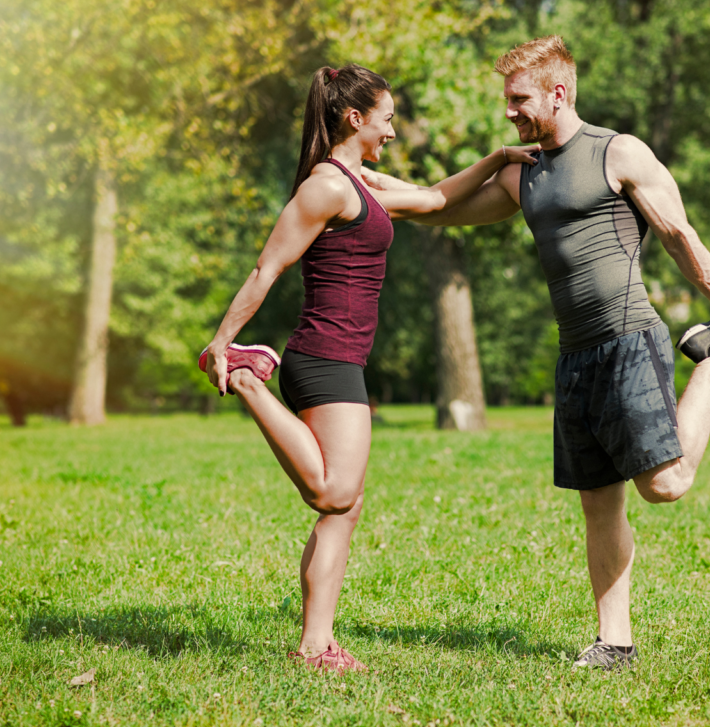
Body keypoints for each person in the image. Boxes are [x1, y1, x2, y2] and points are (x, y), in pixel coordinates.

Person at [365, 36, 710, 671]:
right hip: (574, 354)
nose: (510, 111)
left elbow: (678, 234)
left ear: (559, 92)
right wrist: (358, 176)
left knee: (667, 484)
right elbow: (437, 208)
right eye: (507, 100)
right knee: (599, 500)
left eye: (518, 99)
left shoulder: (617, 152)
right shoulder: (523, 174)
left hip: (629, 339)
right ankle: (615, 642)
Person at [199, 63, 538, 673]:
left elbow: (435, 198)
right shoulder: (325, 187)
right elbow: (265, 269)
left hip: (344, 358)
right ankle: (248, 378)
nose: (391, 130)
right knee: (333, 492)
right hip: (323, 355)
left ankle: (316, 645)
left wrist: (498, 158)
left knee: (345, 508)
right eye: (385, 119)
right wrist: (224, 344)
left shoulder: (361, 180)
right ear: (354, 118)